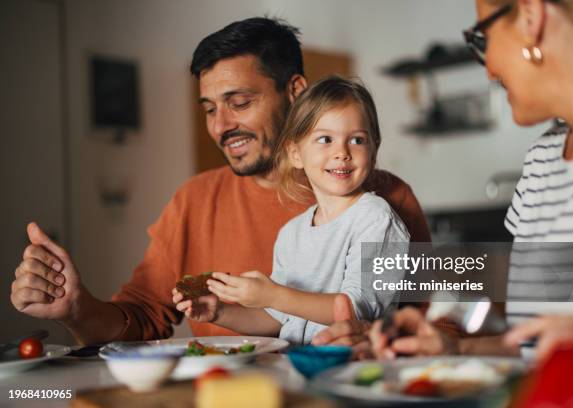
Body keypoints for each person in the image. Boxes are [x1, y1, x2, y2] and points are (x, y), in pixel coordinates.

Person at [9, 17, 430, 345]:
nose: (222, 126)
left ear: (295, 90)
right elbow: (140, 316)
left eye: (240, 102)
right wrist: (76, 309)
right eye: (209, 109)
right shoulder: (195, 201)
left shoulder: (388, 197)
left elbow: (454, 312)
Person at [322, 0, 573, 361]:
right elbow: (532, 349)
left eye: (483, 38)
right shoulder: (543, 161)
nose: (489, 70)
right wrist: (452, 347)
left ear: (532, 17)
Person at [173, 76, 410, 344]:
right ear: (295, 154)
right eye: (325, 139)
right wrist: (221, 313)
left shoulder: (376, 219)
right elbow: (278, 319)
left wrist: (273, 295)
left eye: (357, 140)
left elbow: (358, 310)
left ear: (374, 149)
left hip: (356, 368)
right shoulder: (291, 233)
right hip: (297, 366)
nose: (342, 152)